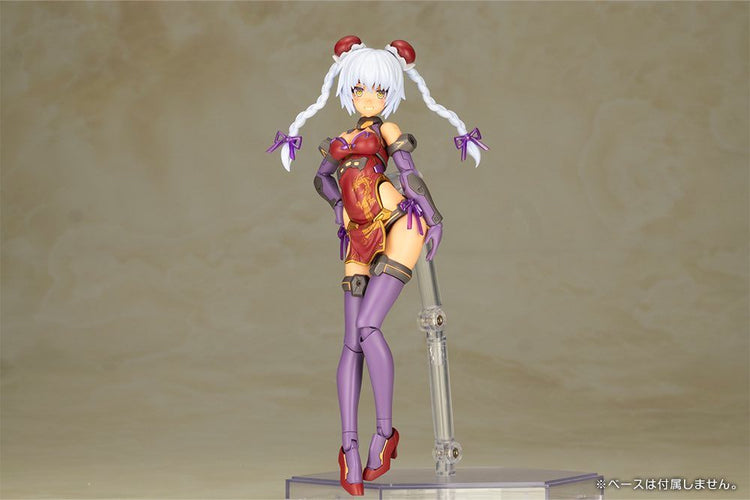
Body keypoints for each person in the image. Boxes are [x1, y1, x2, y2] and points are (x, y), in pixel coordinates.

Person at [267, 36, 486, 496]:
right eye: (361, 88)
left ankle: (385, 434)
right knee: (351, 343)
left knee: (369, 327)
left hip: (398, 220)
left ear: (391, 92)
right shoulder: (340, 139)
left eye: (380, 89)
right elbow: (322, 178)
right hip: (357, 235)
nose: (370, 97)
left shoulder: (387, 131)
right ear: (348, 89)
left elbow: (408, 172)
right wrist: (337, 207)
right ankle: (347, 446)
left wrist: (433, 215)